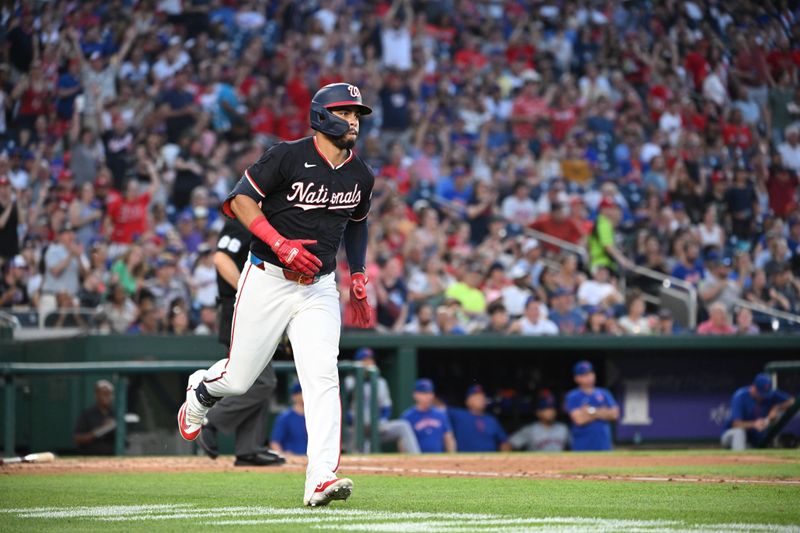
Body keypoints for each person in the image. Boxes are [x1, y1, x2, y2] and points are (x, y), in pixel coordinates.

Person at [177, 83, 374, 507]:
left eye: (357, 113)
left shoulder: (361, 174)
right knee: (239, 377)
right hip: (268, 275)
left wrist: (357, 273)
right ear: (322, 116)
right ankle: (202, 393)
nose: (354, 119)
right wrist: (279, 242)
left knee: (322, 378)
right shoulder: (287, 155)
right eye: (345, 111)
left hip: (319, 287)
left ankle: (321, 477)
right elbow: (240, 201)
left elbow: (357, 221)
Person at [197, 218, 284, 467]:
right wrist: (245, 291)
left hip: (257, 311)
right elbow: (221, 258)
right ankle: (210, 421)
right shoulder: (242, 222)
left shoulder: (267, 225)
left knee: (257, 379)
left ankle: (249, 449)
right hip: (238, 308)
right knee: (264, 382)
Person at [343, 348, 420, 453]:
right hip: (354, 428)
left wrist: (381, 420)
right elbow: (342, 406)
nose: (369, 363)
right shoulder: (349, 382)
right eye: (365, 360)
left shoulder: (380, 382)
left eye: (371, 360)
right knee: (359, 444)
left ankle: (416, 457)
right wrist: (351, 420)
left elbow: (386, 407)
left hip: (376, 425)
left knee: (403, 426)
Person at [721, 373, 794, 450]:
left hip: (751, 443)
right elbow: (736, 424)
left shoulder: (771, 394)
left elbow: (792, 402)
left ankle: (774, 445)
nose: (764, 396)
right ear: (753, 388)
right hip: (731, 437)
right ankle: (739, 459)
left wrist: (777, 408)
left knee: (777, 416)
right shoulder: (740, 395)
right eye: (761, 393)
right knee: (739, 432)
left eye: (766, 394)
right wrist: (754, 424)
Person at [565, 361, 620, 451]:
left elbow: (614, 415)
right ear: (577, 378)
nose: (589, 377)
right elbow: (580, 420)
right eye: (584, 375)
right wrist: (603, 412)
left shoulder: (604, 393)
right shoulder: (573, 396)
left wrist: (590, 411)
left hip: (603, 445)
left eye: (590, 373)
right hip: (582, 445)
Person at [448, 385, 511, 452]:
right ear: (467, 401)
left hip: (489, 460)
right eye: (477, 397)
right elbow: (439, 407)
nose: (481, 399)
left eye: (482, 397)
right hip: (466, 460)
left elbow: (504, 442)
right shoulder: (458, 415)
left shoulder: (491, 420)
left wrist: (503, 458)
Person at [400, 378, 456, 453]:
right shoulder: (407, 416)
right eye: (424, 393)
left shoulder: (440, 414)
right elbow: (403, 443)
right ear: (415, 395)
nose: (427, 396)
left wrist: (451, 456)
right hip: (417, 459)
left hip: (438, 459)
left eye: (430, 393)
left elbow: (448, 438)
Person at [73, 380, 117, 455]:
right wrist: (101, 430)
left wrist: (115, 427)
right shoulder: (87, 414)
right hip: (90, 455)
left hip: (112, 456)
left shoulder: (116, 414)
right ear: (96, 395)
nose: (108, 397)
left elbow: (126, 441)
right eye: (104, 394)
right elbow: (77, 439)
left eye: (109, 394)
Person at [270, 382, 309, 456]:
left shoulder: (314, 417)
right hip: (292, 460)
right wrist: (283, 456)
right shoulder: (285, 417)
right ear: (294, 396)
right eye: (302, 392)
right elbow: (275, 443)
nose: (305, 395)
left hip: (313, 459)